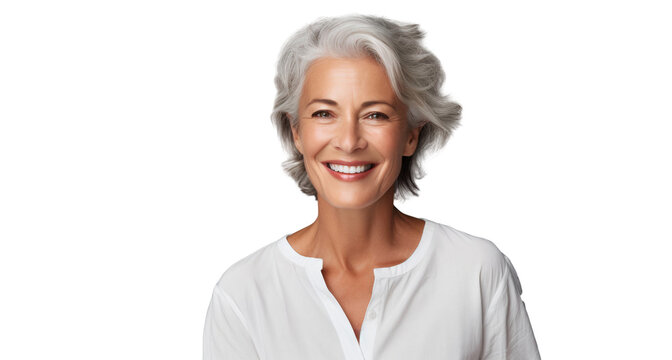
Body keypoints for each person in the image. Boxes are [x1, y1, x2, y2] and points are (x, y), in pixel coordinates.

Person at [203, 14, 541, 360]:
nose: (349, 142)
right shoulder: (243, 295)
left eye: (375, 115)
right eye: (324, 113)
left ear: (411, 134)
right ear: (296, 132)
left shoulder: (477, 272)